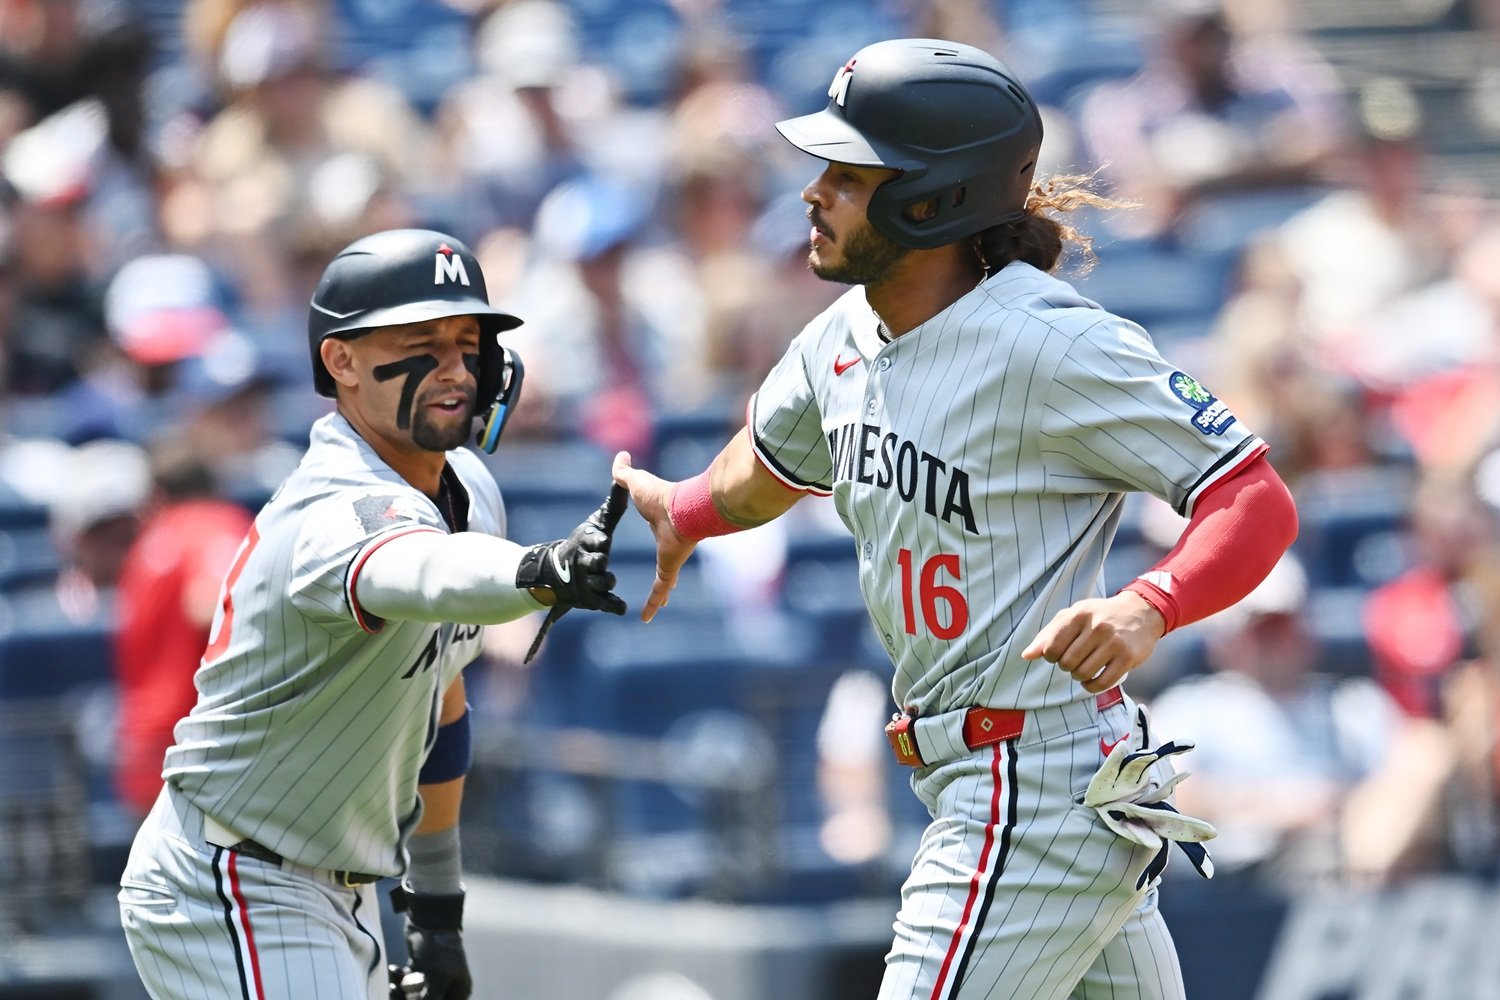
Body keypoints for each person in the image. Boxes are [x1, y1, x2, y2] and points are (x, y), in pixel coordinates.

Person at [611, 39, 1299, 999]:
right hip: (1005, 770)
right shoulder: (841, 336)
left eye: (848, 176)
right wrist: (682, 513)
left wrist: (1151, 603)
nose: (812, 194)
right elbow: (768, 467)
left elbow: (1251, 496)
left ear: (931, 200)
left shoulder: (1050, 344)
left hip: (1035, 777)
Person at [117, 228, 626, 1000]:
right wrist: (539, 568)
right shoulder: (329, 505)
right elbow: (421, 570)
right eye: (421, 342)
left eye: (468, 342)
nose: (456, 369)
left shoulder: (470, 488)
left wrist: (436, 911)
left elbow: (444, 705)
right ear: (342, 360)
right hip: (234, 877)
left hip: (328, 885)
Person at [112, 434, 256, 820]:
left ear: (156, 494)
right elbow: (208, 604)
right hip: (199, 748)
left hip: (145, 747)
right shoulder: (212, 522)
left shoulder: (146, 544)